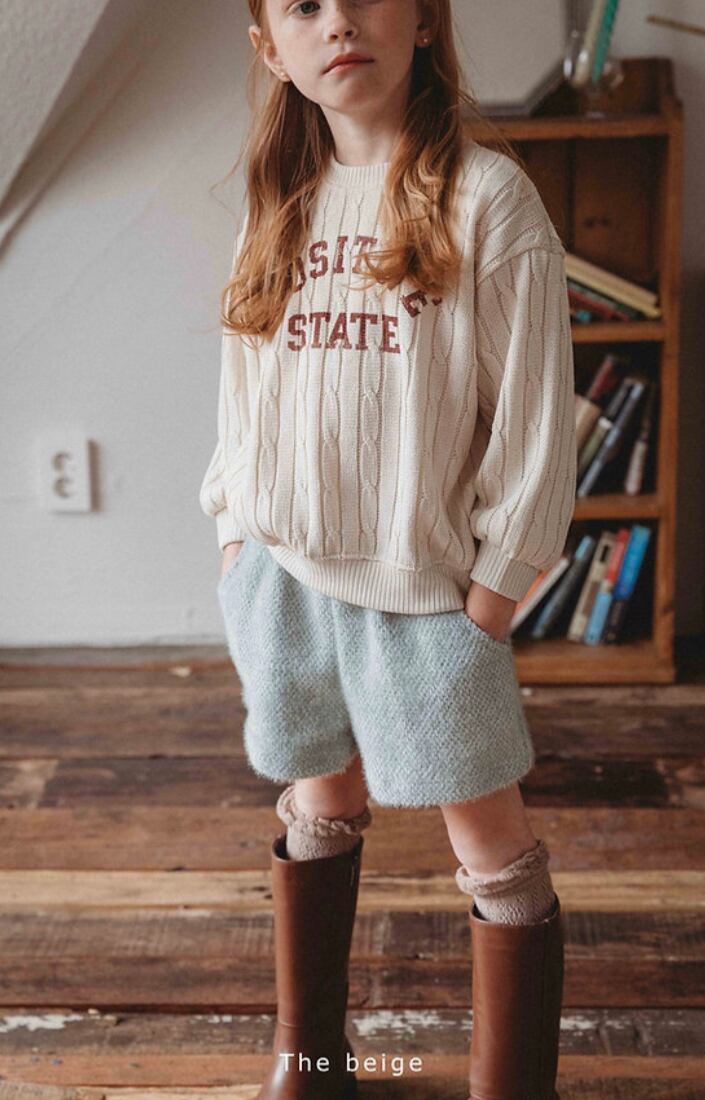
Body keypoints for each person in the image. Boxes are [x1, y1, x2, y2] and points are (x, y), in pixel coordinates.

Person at [199, 2, 576, 1097]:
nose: (339, 22)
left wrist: (490, 599)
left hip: (426, 600)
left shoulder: (489, 199)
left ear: (421, 20)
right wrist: (236, 536)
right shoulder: (280, 199)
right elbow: (242, 395)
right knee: (318, 803)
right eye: (303, 6)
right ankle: (310, 1057)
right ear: (271, 47)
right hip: (285, 579)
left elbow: (536, 426)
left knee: (491, 843)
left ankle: (513, 1083)